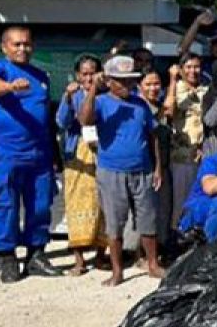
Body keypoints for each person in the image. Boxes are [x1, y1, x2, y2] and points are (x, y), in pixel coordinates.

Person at [0, 26, 63, 283]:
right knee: (5, 205)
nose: (22, 49)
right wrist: (9, 86)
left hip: (39, 153)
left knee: (40, 205)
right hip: (6, 152)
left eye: (26, 44)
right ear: (4, 47)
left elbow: (47, 116)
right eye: (16, 44)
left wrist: (53, 154)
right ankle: (6, 258)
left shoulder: (41, 76)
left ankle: (36, 254)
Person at [78, 55, 164, 286]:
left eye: (131, 81)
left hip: (143, 170)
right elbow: (84, 121)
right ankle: (117, 271)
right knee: (115, 223)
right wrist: (93, 91)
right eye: (122, 81)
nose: (127, 85)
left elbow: (153, 135)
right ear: (110, 81)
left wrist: (157, 167)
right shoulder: (102, 102)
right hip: (111, 172)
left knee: (148, 218)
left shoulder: (140, 104)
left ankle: (152, 264)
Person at [55, 55, 106, 275]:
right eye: (84, 73)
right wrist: (67, 97)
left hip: (102, 153)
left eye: (92, 73)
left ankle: (101, 255)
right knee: (77, 203)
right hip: (78, 153)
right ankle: (79, 259)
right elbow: (61, 122)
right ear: (77, 75)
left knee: (102, 204)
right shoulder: (72, 95)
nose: (88, 77)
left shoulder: (106, 94)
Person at [163, 53, 208, 241]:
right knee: (181, 200)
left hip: (202, 153)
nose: (193, 71)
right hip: (181, 153)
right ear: (181, 70)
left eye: (196, 66)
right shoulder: (176, 89)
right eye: (188, 67)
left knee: (199, 199)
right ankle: (177, 239)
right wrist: (173, 81)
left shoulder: (206, 90)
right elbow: (168, 112)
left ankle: (196, 237)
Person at [132, 69, 173, 259]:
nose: (153, 88)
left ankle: (160, 251)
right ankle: (142, 254)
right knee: (144, 212)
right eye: (148, 84)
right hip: (143, 166)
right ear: (139, 86)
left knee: (163, 211)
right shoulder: (136, 108)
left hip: (163, 166)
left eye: (156, 84)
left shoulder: (162, 110)